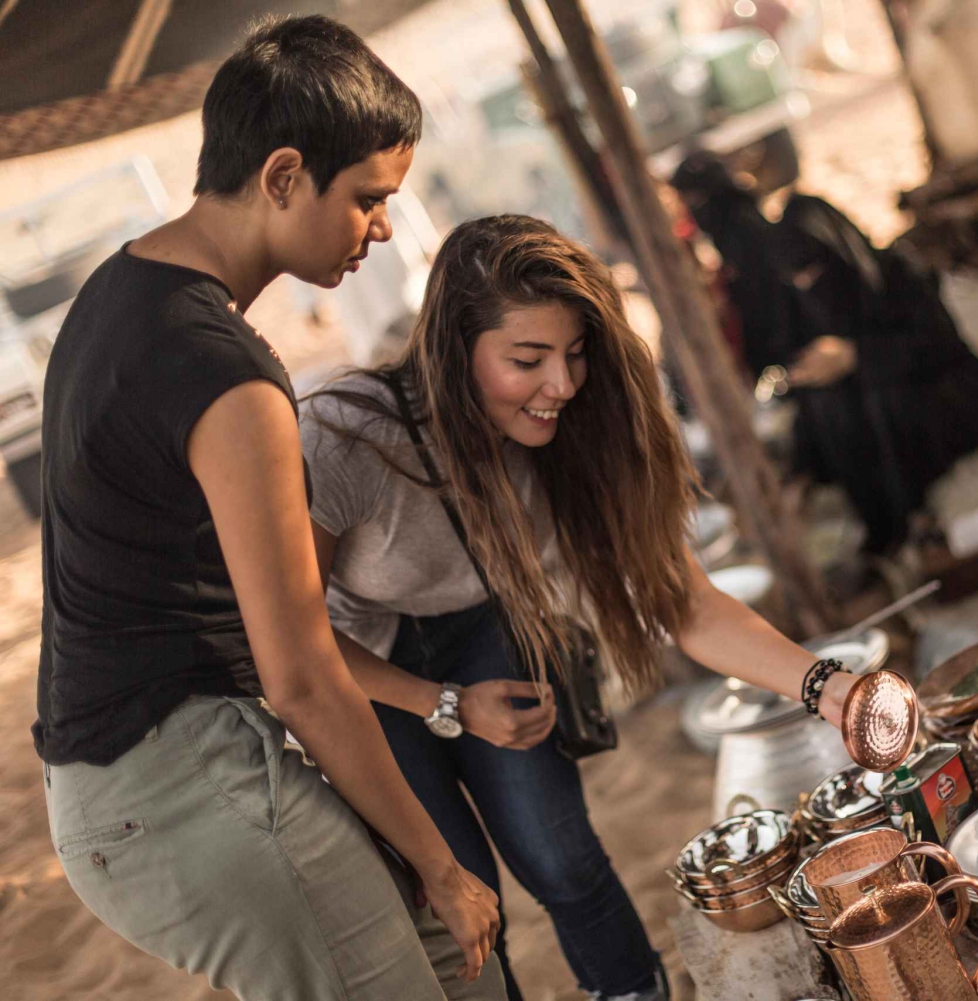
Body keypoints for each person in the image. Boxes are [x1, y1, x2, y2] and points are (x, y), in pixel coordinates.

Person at [34, 17, 507, 999]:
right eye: (369, 199)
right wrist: (442, 863)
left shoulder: (116, 292)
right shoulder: (226, 373)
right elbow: (300, 673)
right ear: (284, 175)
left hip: (131, 784)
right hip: (178, 788)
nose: (381, 227)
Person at [300, 215, 858, 1000]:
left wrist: (829, 686)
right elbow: (286, 638)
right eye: (527, 359)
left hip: (488, 625)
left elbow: (685, 602)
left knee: (563, 857)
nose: (561, 385)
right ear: (454, 351)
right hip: (358, 667)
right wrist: (445, 703)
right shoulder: (344, 435)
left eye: (574, 354)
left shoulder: (575, 433)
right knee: (457, 894)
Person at [669, 152, 978, 554]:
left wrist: (856, 356)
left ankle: (912, 518)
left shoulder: (897, 275)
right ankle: (887, 533)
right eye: (797, 280)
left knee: (881, 401)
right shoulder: (809, 300)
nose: (808, 285)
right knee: (826, 404)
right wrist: (801, 466)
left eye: (813, 272)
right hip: (885, 392)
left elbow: (937, 345)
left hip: (955, 392)